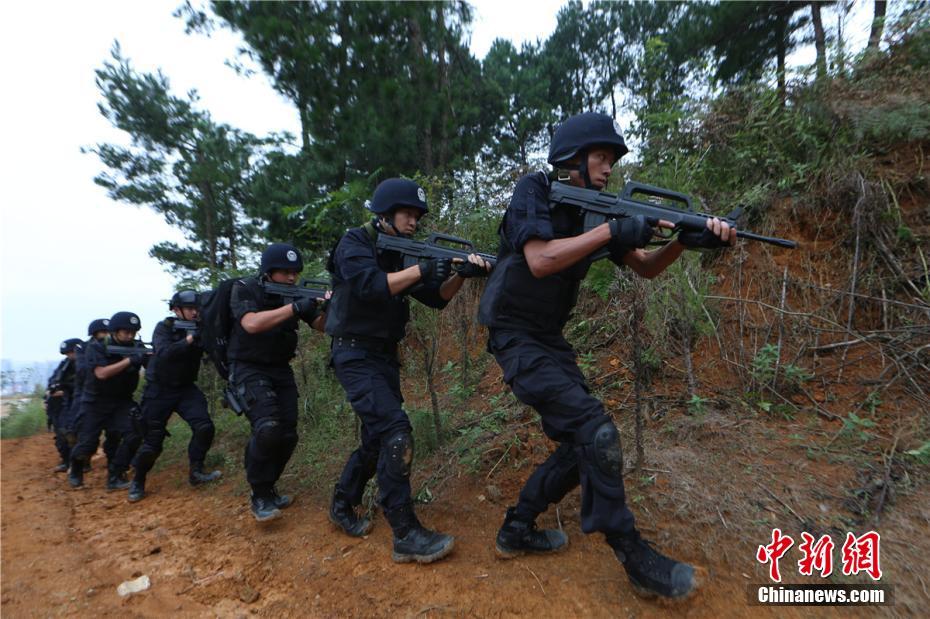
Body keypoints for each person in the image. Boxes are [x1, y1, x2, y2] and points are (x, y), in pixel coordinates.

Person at [477, 112, 735, 599]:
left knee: (583, 444)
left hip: (548, 338)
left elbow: (648, 269)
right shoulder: (535, 189)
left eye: (611, 160)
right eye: (600, 157)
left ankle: (516, 528)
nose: (608, 167)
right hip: (513, 332)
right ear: (570, 160)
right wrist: (612, 233)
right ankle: (633, 555)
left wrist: (684, 238)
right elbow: (540, 259)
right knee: (596, 431)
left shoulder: (600, 210)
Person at [325, 178, 491, 564]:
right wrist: (421, 268)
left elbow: (435, 299)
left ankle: (342, 503)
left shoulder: (402, 253)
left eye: (418, 215)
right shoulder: (354, 243)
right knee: (396, 433)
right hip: (353, 353)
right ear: (384, 214)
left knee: (375, 439)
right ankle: (404, 533)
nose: (414, 221)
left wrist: (460, 274)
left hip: (383, 356)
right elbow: (369, 285)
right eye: (407, 214)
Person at [228, 243, 326, 521]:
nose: (292, 277)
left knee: (288, 434)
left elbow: (322, 325)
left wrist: (329, 306)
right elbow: (252, 324)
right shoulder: (246, 288)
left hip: (280, 369)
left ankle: (269, 487)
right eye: (285, 272)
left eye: (295, 272)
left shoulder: (294, 295)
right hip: (248, 367)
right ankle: (259, 493)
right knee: (268, 428)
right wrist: (295, 307)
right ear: (269, 272)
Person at [128, 290, 221, 503]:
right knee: (152, 442)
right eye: (190, 309)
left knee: (204, 427)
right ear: (176, 310)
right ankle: (138, 480)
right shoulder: (165, 328)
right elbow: (163, 354)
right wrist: (188, 341)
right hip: (158, 390)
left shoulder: (201, 327)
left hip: (186, 389)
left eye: (197, 309)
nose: (195, 312)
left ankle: (196, 471)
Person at [68, 312, 148, 490]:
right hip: (95, 402)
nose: (130, 336)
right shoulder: (96, 347)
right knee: (87, 443)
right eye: (125, 332)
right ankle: (76, 467)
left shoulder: (137, 346)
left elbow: (152, 365)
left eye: (133, 333)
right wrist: (129, 361)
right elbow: (101, 373)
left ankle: (116, 474)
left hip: (122, 401)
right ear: (115, 331)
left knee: (135, 434)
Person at [45, 338, 82, 472]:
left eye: (71, 352)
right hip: (61, 405)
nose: (70, 355)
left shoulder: (84, 364)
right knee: (61, 435)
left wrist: (64, 389)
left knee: (75, 435)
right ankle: (66, 462)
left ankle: (79, 464)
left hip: (77, 404)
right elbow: (54, 381)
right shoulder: (65, 365)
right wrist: (49, 393)